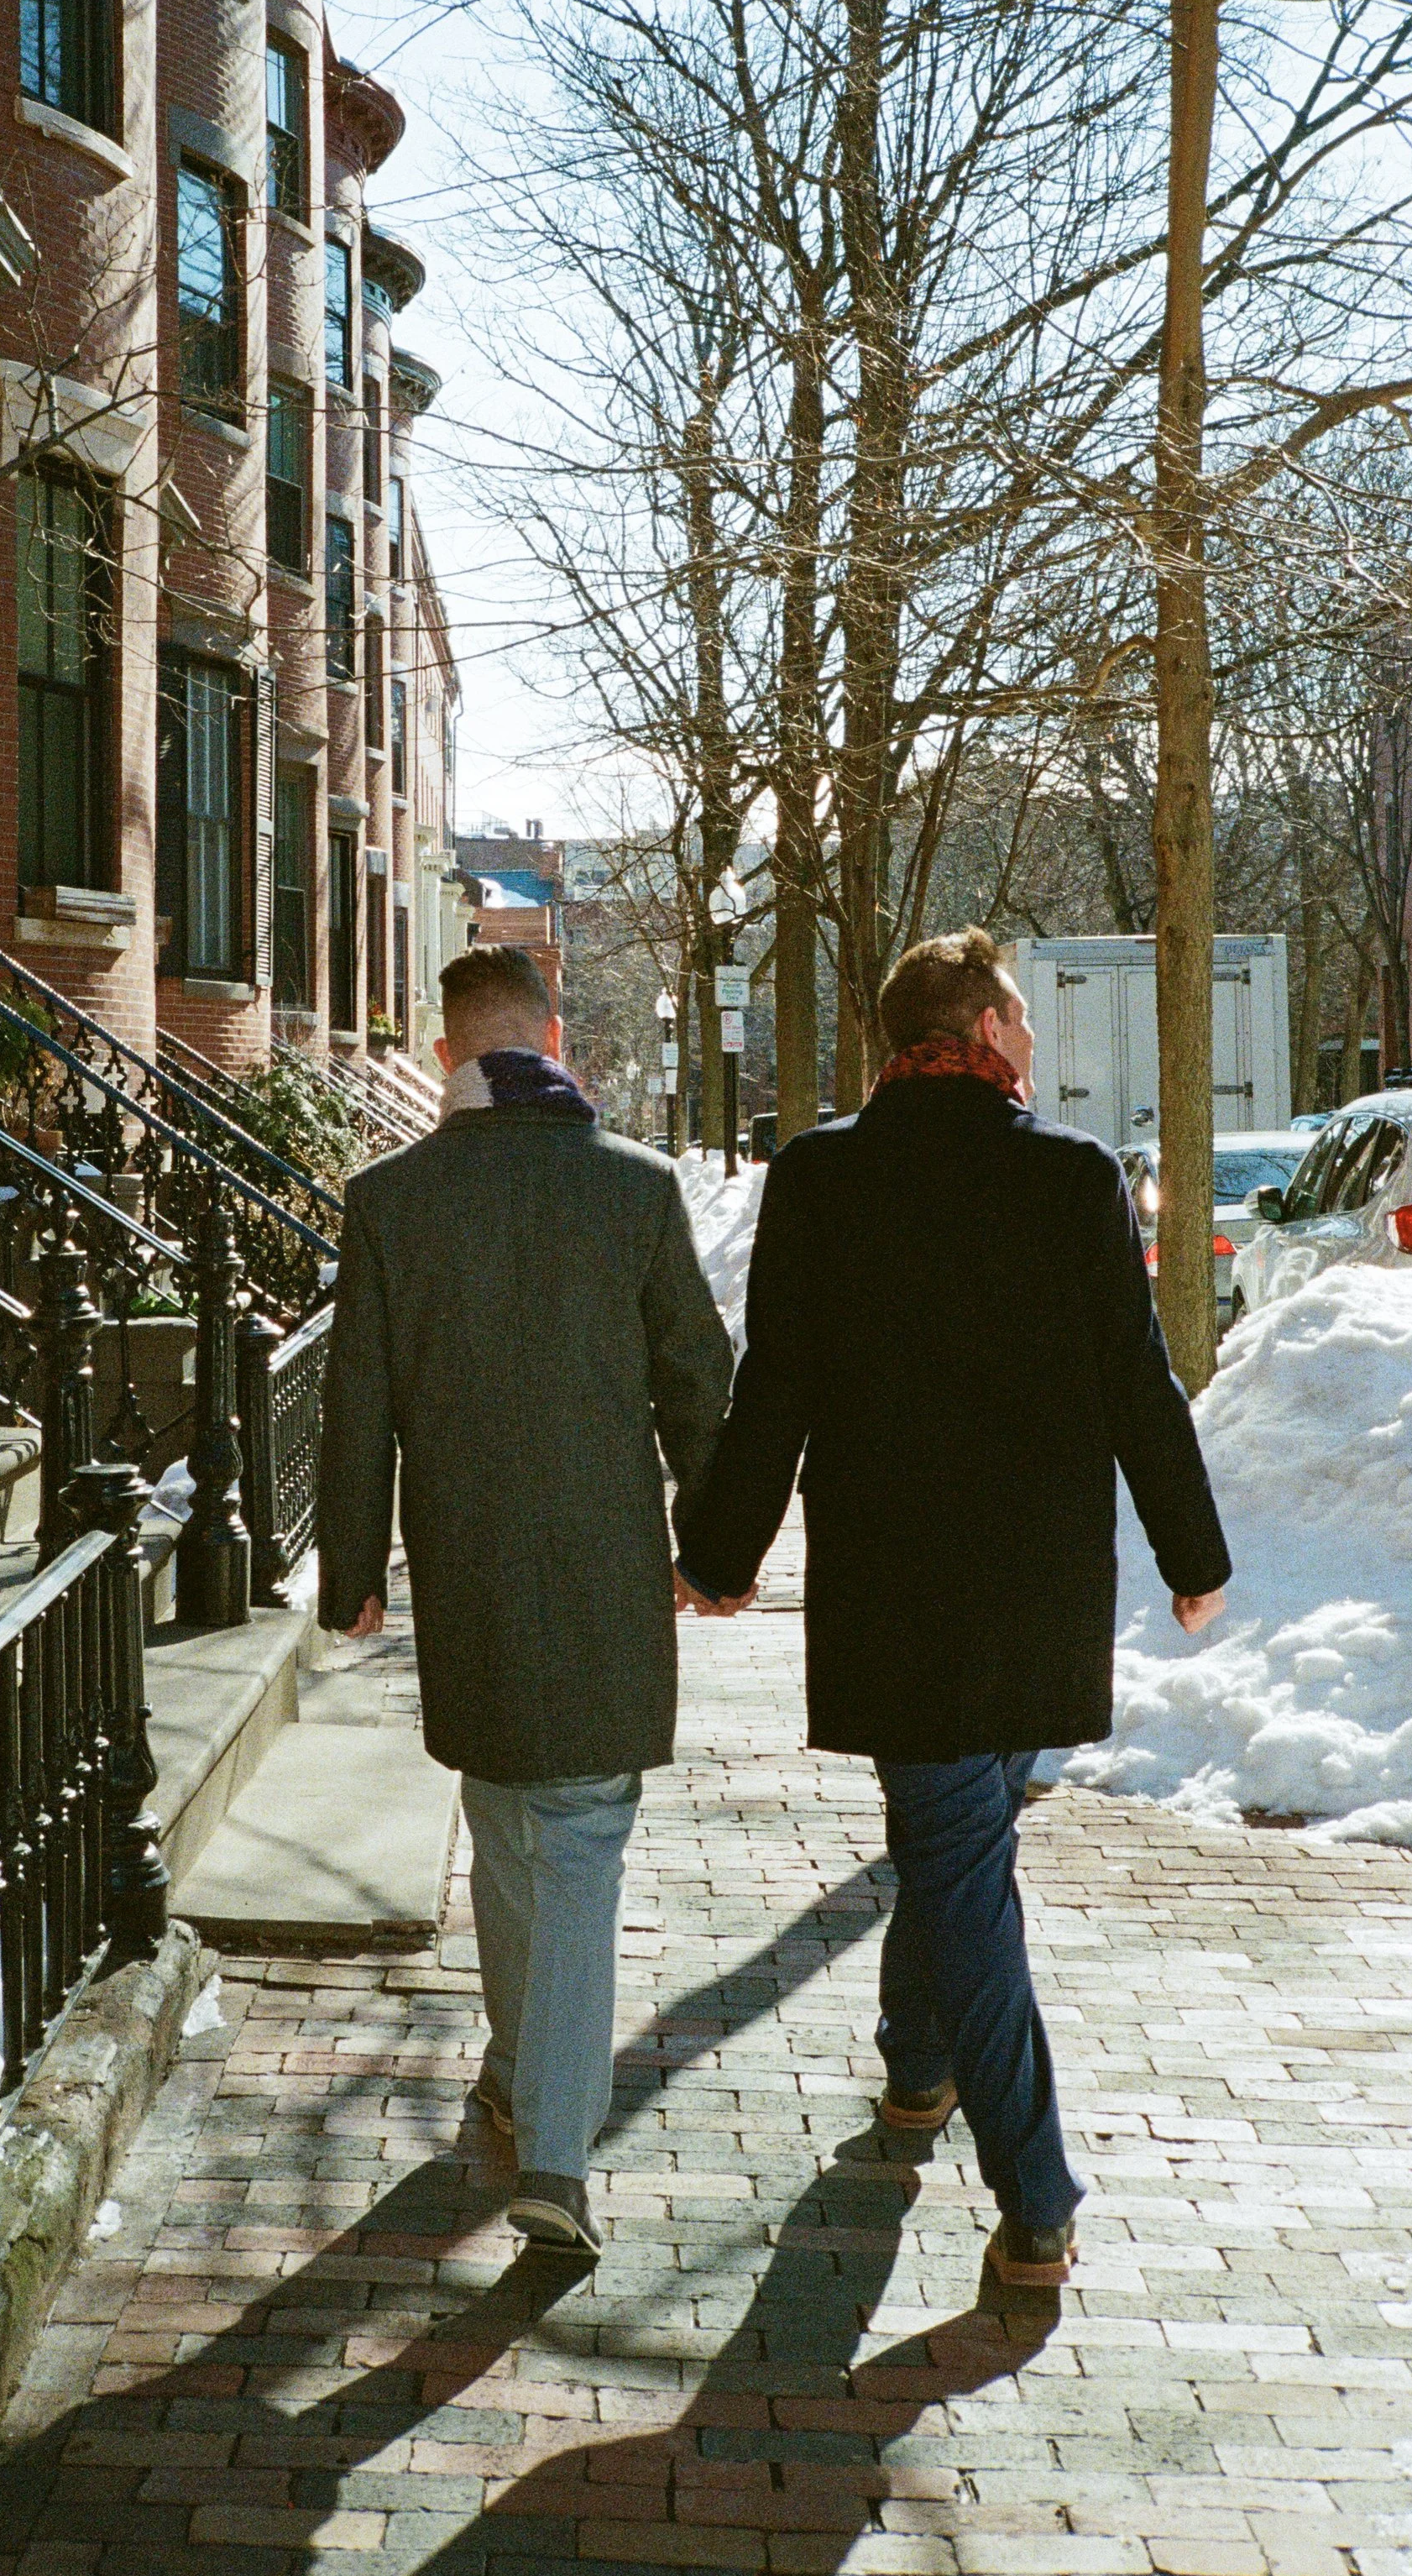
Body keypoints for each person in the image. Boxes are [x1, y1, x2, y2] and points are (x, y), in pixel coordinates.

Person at [673, 928, 1230, 2290]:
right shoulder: (1073, 1175)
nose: (1032, 1039)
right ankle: (1035, 2191)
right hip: (1038, 1594)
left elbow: (775, 1385)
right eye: (1021, 1017)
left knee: (953, 1847)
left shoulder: (822, 1176)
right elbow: (1137, 1380)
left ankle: (922, 2067)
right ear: (981, 1026)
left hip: (895, 1598)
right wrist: (1192, 1552)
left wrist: (723, 1550)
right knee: (966, 1854)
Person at [317, 942, 735, 2256]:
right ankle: (555, 2152)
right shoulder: (636, 1188)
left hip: (466, 1571)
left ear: (447, 1052)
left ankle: (515, 2072)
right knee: (575, 1844)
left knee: (506, 1819)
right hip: (603, 1577)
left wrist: (349, 1572)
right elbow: (699, 1387)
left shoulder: (391, 1199)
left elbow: (355, 1404)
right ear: (552, 1038)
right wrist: (716, 1550)